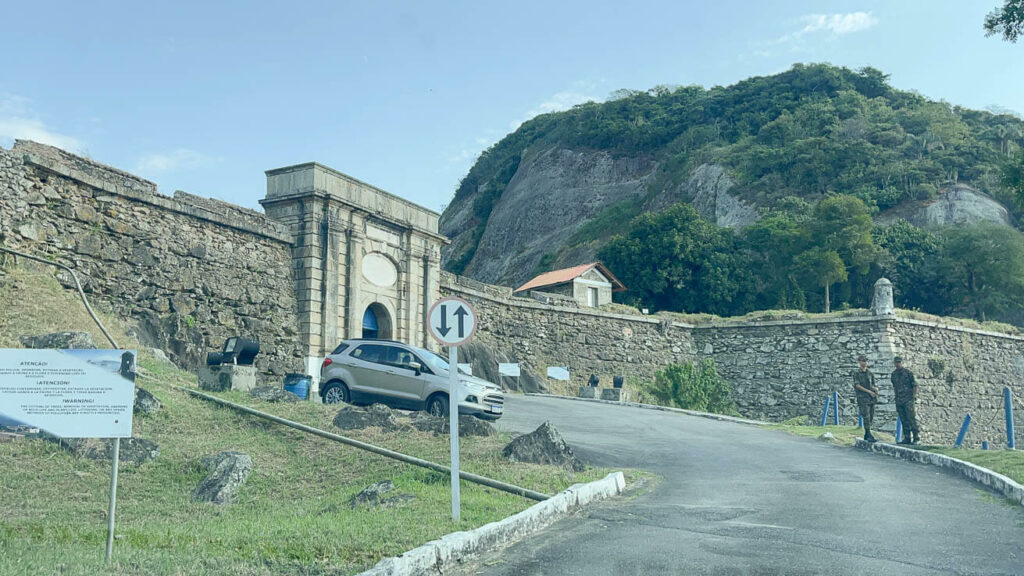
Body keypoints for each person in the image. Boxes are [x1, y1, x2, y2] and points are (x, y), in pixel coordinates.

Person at [891, 356, 920, 445]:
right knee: (903, 419)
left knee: (911, 418)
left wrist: (913, 397)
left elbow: (915, 385)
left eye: (899, 362)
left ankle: (916, 437)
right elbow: (894, 386)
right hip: (899, 400)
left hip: (908, 399)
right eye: (896, 362)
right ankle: (907, 437)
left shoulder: (908, 373)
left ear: (902, 363)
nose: (898, 364)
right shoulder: (894, 374)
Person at [853, 355, 879, 442]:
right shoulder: (857, 373)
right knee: (866, 416)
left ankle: (867, 434)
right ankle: (868, 433)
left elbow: (874, 384)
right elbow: (857, 385)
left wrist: (876, 389)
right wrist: (869, 392)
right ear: (859, 362)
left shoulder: (870, 373)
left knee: (871, 416)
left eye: (866, 360)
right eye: (863, 360)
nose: (865, 362)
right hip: (863, 398)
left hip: (871, 398)